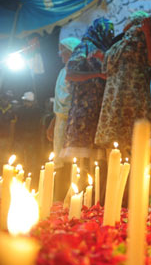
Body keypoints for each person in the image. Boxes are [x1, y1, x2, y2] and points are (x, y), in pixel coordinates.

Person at [95, 12, 151, 158]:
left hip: (133, 99)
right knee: (115, 150)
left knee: (135, 146)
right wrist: (103, 57)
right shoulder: (121, 43)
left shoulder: (141, 36)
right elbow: (107, 72)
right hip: (114, 101)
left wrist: (147, 33)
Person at [62, 18, 114, 166]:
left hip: (98, 112)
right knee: (81, 163)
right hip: (83, 112)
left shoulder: (104, 50)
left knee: (96, 164)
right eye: (107, 31)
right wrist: (96, 75)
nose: (109, 34)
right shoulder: (84, 47)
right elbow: (70, 74)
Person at [46, 37, 80, 200]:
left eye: (63, 50)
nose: (60, 54)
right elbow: (59, 101)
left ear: (71, 51)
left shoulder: (78, 69)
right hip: (61, 120)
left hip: (73, 120)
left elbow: (74, 98)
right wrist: (54, 121)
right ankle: (57, 198)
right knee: (58, 159)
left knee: (71, 161)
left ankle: (69, 199)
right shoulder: (62, 71)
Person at [13, 91, 43, 172]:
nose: (25, 103)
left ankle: (29, 175)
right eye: (24, 101)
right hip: (20, 139)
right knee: (19, 157)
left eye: (27, 101)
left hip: (32, 140)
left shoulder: (38, 111)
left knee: (30, 159)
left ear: (32, 102)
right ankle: (18, 173)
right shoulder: (20, 110)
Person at [0, 92, 16, 163]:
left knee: (4, 157)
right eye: (3, 99)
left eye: (6, 99)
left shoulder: (12, 111)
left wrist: (11, 139)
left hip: (5, 138)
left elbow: (12, 126)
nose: (4, 100)